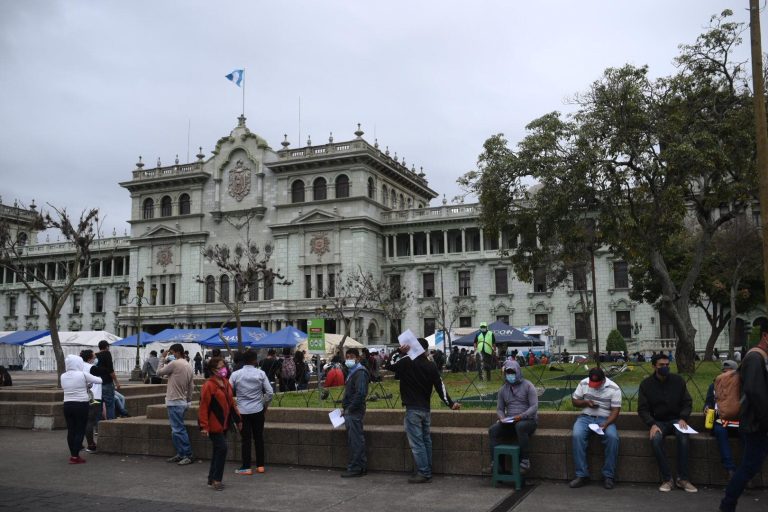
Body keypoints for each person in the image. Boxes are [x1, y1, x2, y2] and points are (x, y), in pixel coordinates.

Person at [386, 337, 460, 483]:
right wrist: (450, 404)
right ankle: (427, 468)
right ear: (425, 349)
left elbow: (389, 364)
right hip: (425, 409)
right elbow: (440, 387)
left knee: (417, 443)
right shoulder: (430, 365)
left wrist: (398, 351)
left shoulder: (406, 361)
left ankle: (423, 472)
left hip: (412, 409)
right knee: (426, 441)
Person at [719, 328, 768, 512]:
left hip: (758, 422)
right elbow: (755, 392)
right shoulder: (755, 358)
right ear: (765, 336)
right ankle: (727, 504)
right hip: (756, 424)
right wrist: (765, 422)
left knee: (749, 466)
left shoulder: (760, 357)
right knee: (748, 467)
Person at [638, 353, 696, 493]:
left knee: (683, 437)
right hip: (658, 421)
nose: (665, 367)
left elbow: (687, 402)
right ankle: (667, 479)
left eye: (667, 365)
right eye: (661, 365)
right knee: (656, 440)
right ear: (654, 366)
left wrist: (683, 418)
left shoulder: (678, 380)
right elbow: (642, 408)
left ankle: (683, 479)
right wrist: (652, 424)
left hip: (677, 420)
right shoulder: (646, 385)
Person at [568, 367, 622, 490]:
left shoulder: (614, 388)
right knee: (577, 435)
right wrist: (586, 403)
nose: (595, 386)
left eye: (597, 384)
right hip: (585, 417)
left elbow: (615, 411)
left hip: (605, 419)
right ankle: (581, 475)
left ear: (603, 380)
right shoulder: (584, 383)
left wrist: (607, 424)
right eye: (593, 384)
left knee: (613, 438)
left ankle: (608, 476)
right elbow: (575, 401)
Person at [487, 359, 538, 475]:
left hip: (528, 421)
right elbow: (499, 408)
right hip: (510, 421)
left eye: (512, 372)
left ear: (518, 372)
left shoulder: (528, 386)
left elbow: (534, 406)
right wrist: (501, 418)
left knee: (520, 426)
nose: (510, 375)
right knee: (493, 430)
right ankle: (496, 464)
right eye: (508, 373)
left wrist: (521, 416)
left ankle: (525, 462)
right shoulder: (503, 389)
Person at [198, 356, 241, 491]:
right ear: (213, 370)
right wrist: (204, 426)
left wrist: (239, 420)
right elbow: (203, 407)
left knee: (218, 451)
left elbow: (231, 403)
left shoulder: (226, 382)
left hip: (224, 424)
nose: (224, 369)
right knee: (222, 449)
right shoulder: (208, 386)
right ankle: (217, 480)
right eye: (220, 367)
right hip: (213, 425)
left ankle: (212, 478)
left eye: (224, 366)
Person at [230, 350, 273, 476]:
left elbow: (228, 392)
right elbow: (270, 392)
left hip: (242, 411)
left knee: (246, 440)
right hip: (258, 410)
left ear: (243, 360)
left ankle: (246, 467)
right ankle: (260, 466)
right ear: (255, 360)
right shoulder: (261, 373)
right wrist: (263, 403)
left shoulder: (236, 374)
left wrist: (235, 404)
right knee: (259, 438)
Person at [157, 343, 195, 466]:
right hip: (183, 401)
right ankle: (181, 453)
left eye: (172, 352)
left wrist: (162, 358)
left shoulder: (175, 363)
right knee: (176, 429)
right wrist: (189, 400)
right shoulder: (188, 365)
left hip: (174, 401)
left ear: (177, 352)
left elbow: (159, 373)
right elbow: (191, 385)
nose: (171, 355)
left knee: (178, 430)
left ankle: (187, 455)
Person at [705, 360, 743, 479]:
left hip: (739, 421)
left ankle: (745, 471)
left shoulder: (742, 385)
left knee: (747, 435)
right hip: (720, 421)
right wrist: (706, 408)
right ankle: (730, 469)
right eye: (724, 372)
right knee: (720, 432)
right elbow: (708, 402)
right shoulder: (714, 385)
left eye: (729, 372)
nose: (725, 375)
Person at [61, 354, 102, 464]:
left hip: (67, 404)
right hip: (81, 404)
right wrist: (88, 384)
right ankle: (75, 456)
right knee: (80, 429)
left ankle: (72, 454)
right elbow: (99, 380)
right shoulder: (82, 374)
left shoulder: (63, 376)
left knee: (71, 430)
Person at [340, 348, 370, 477]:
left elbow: (361, 393)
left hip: (354, 411)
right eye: (347, 357)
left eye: (351, 357)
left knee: (356, 440)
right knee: (354, 439)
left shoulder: (360, 372)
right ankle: (359, 466)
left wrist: (350, 408)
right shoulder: (352, 371)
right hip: (351, 410)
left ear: (357, 358)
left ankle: (356, 467)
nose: (348, 359)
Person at [80, 349, 110, 452]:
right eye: (94, 357)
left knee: (82, 421)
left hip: (82, 396)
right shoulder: (91, 368)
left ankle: (79, 443)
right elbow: (106, 371)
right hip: (94, 397)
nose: (95, 358)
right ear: (89, 358)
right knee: (90, 421)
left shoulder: (79, 367)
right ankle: (91, 445)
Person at [96, 340, 120, 420]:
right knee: (110, 404)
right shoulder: (107, 353)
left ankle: (98, 425)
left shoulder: (96, 355)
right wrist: (116, 382)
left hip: (97, 384)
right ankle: (110, 423)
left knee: (98, 405)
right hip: (107, 382)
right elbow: (110, 370)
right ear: (106, 347)